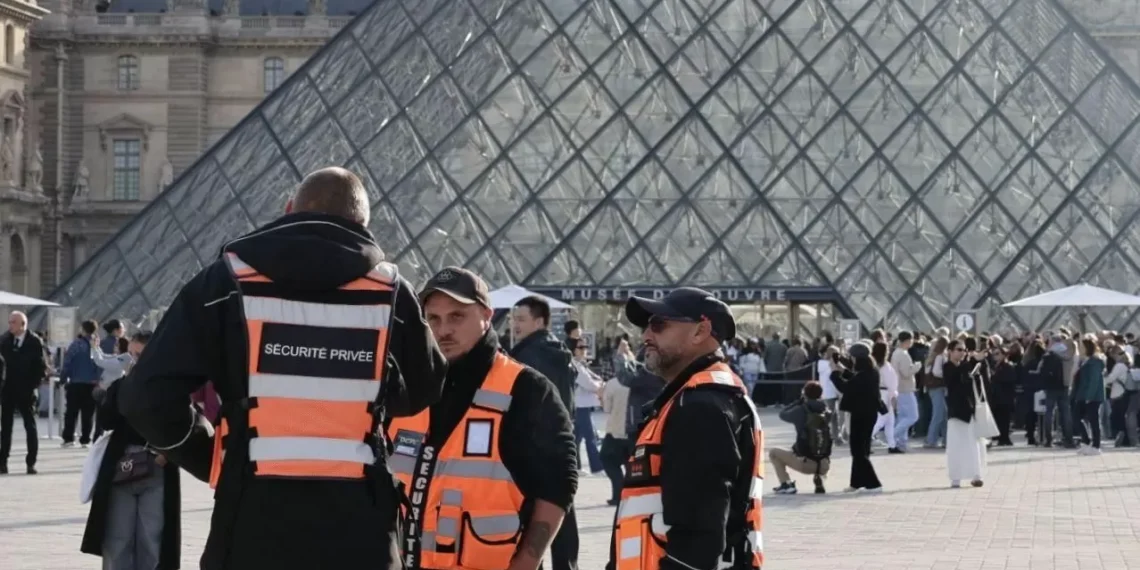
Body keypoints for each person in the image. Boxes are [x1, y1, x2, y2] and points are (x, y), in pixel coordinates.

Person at [116, 166, 448, 570]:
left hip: (251, 512)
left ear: (289, 209)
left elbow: (145, 395)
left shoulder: (225, 282)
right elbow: (425, 386)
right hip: (360, 523)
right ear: (362, 224)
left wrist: (212, 455)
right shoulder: (390, 292)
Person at [387, 268, 576, 570]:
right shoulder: (407, 387)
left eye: (457, 316)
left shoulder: (526, 389)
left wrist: (526, 562)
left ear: (487, 315)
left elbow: (558, 485)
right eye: (433, 318)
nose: (443, 330)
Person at [608, 287, 763, 570]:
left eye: (658, 324)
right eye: (646, 326)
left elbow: (698, 536)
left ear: (700, 331)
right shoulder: (702, 397)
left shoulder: (699, 407)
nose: (645, 336)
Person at [81, 332, 182, 570]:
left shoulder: (171, 388)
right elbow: (107, 421)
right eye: (134, 355)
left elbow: (181, 424)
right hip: (122, 465)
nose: (137, 360)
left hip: (157, 466)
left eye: (142, 355)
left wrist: (165, 455)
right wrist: (119, 391)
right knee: (117, 538)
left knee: (153, 538)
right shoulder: (121, 386)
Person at [508, 295, 579, 570]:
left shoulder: (527, 356)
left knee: (530, 521)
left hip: (531, 447)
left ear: (539, 321)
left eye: (521, 319)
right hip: (562, 444)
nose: (515, 324)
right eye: (514, 318)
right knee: (561, 512)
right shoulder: (561, 353)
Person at [830, 342, 883, 493]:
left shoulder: (864, 375)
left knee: (859, 450)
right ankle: (856, 482)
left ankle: (874, 484)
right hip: (867, 413)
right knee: (860, 449)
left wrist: (834, 373)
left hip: (862, 414)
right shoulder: (870, 371)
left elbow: (846, 387)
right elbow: (854, 379)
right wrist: (842, 369)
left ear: (856, 358)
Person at [0, 311, 47, 474]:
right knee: (5, 427)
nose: (10, 325)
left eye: (13, 322)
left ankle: (30, 462)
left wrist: (32, 385)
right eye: (10, 322)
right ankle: (2, 461)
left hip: (26, 391)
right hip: (7, 390)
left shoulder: (34, 342)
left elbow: (41, 367)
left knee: (30, 426)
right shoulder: (4, 340)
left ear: (23, 324)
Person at [769, 380, 832, 495]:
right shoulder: (826, 411)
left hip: (805, 463)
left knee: (773, 452)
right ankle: (820, 478)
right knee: (818, 443)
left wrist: (798, 402)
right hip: (824, 464)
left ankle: (786, 484)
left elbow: (782, 414)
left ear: (805, 394)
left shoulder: (801, 410)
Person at [943, 339, 987, 488]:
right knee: (956, 446)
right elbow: (954, 380)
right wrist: (972, 361)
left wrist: (979, 363)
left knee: (974, 445)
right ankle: (956, 477)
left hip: (970, 410)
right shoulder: (948, 367)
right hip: (956, 412)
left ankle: (977, 475)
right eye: (959, 349)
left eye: (964, 350)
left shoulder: (966, 366)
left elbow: (980, 381)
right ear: (950, 351)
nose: (962, 353)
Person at [61, 320, 102, 448]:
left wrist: (63, 378)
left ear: (83, 329)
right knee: (88, 414)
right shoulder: (96, 345)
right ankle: (85, 439)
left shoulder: (76, 344)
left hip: (75, 383)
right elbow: (100, 363)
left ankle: (69, 438)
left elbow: (67, 362)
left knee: (71, 412)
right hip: (91, 384)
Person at [570, 339, 604, 474]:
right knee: (590, 438)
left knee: (576, 438)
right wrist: (599, 386)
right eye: (581, 347)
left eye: (585, 347)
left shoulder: (581, 365)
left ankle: (576, 467)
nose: (584, 350)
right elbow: (590, 384)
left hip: (582, 405)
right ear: (574, 350)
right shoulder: (576, 366)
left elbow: (596, 380)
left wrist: (598, 385)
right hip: (580, 406)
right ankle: (597, 467)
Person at [599, 375, 631, 506]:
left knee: (608, 460)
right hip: (636, 431)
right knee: (631, 463)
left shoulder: (613, 383)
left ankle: (618, 493)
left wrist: (601, 396)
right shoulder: (645, 382)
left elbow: (607, 408)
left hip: (616, 430)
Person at [1073, 338, 1106, 455]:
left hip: (1092, 396)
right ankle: (1086, 442)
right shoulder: (1085, 361)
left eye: (1081, 347)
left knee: (1093, 421)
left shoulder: (1094, 362)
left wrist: (1089, 396)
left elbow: (1094, 380)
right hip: (1083, 394)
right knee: (1077, 418)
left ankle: (1096, 445)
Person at [890, 332, 919, 451]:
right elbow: (907, 372)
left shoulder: (896, 353)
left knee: (903, 417)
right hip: (905, 388)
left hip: (898, 388)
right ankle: (893, 436)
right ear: (907, 340)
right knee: (913, 416)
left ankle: (900, 443)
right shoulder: (903, 354)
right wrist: (917, 367)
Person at [871, 341, 899, 453]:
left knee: (889, 421)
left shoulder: (874, 365)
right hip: (886, 393)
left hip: (878, 392)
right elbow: (891, 383)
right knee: (883, 419)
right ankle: (867, 438)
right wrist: (893, 397)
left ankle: (892, 445)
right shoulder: (886, 366)